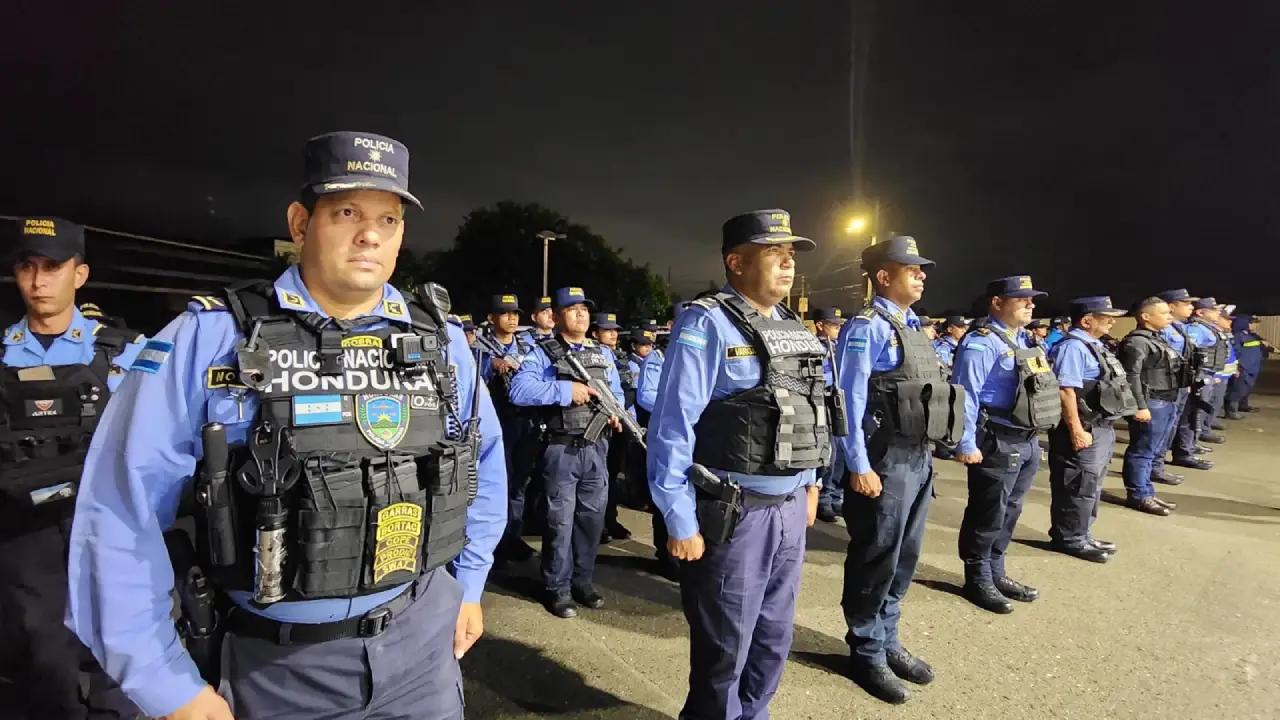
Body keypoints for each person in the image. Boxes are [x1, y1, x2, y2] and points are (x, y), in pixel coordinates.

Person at [65, 132, 507, 720]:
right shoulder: (210, 339)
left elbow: (481, 462)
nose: (370, 235)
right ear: (300, 223)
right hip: (277, 667)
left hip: (422, 646)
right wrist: (164, 684)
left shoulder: (441, 341)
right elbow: (120, 510)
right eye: (346, 212)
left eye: (388, 219)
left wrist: (469, 585)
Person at [648, 209, 827, 719]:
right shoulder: (706, 322)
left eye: (790, 255)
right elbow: (672, 425)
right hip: (736, 512)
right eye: (774, 253)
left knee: (773, 639)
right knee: (725, 649)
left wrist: (810, 484)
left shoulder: (792, 326)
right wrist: (678, 518)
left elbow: (811, 411)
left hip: (789, 506)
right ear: (736, 262)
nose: (788, 264)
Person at [1, 216, 146, 720]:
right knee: (39, 650)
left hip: (106, 518)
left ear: (79, 274)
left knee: (119, 643)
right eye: (28, 267)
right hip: (26, 528)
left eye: (53, 267)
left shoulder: (126, 350)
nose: (39, 281)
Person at [834, 236, 961, 704]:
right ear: (884, 276)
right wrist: (858, 464)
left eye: (921, 269)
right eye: (912, 269)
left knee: (905, 556)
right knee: (877, 557)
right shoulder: (867, 327)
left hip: (917, 456)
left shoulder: (912, 326)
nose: (921, 275)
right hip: (883, 459)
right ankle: (866, 650)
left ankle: (888, 638)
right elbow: (847, 399)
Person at [509, 287, 626, 618]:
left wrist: (616, 412)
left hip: (597, 447)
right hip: (561, 448)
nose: (581, 314)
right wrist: (565, 390)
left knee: (591, 520)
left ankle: (582, 581)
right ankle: (556, 587)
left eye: (584, 309)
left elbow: (616, 392)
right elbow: (520, 390)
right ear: (557, 316)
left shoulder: (602, 354)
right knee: (559, 522)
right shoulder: (544, 353)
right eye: (572, 309)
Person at [952, 276, 1059, 614]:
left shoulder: (1023, 339)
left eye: (1032, 299)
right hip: (996, 437)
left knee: (1011, 510)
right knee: (988, 511)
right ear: (997, 303)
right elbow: (965, 394)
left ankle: (996, 569)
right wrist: (966, 442)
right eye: (1021, 299)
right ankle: (978, 577)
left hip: (1026, 437)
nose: (1030, 304)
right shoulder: (981, 343)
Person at [1045, 297, 1134, 563]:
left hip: (1100, 425)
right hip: (1085, 426)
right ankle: (1070, 538)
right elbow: (1065, 391)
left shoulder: (1093, 345)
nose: (1112, 322)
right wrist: (1076, 429)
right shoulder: (1072, 347)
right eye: (1106, 317)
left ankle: (1082, 533)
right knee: (1078, 485)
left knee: (1091, 485)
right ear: (1086, 321)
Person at [480, 294, 542, 565]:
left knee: (520, 482)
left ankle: (513, 535)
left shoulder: (528, 346)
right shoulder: (480, 347)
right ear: (492, 318)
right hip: (497, 421)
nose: (512, 318)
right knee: (497, 483)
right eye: (505, 313)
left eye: (515, 313)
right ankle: (496, 542)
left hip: (524, 421)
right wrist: (490, 365)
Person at [635, 302, 687, 579]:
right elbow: (646, 396)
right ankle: (667, 556)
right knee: (667, 493)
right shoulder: (658, 356)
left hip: (693, 436)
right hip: (667, 433)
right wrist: (677, 410)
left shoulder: (694, 351)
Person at [1117, 297, 1181, 516]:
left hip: (1166, 400)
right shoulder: (1137, 342)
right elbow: (1131, 376)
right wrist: (1139, 405)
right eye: (1163, 313)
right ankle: (1138, 495)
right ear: (1146, 316)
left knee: (1152, 450)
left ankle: (1147, 491)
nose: (1169, 317)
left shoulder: (1156, 338)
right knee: (1142, 451)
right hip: (1151, 402)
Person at [592, 311, 635, 542]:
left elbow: (620, 389)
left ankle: (609, 519)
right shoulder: (593, 353)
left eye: (614, 330)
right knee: (598, 477)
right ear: (595, 333)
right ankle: (598, 525)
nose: (613, 334)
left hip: (619, 420)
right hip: (599, 420)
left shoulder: (614, 355)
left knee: (612, 474)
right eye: (607, 330)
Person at [1155, 288, 1204, 478]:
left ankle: (1159, 465)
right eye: (1186, 303)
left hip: (1181, 384)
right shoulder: (1164, 330)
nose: (1191, 307)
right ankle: (1155, 467)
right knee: (1162, 429)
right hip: (1168, 386)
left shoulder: (1179, 327)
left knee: (1172, 426)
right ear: (1171, 306)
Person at [812, 307, 847, 523]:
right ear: (820, 325)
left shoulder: (836, 346)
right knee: (829, 455)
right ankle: (823, 499)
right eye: (833, 325)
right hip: (824, 402)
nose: (838, 329)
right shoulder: (814, 348)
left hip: (838, 404)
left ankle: (835, 496)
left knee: (841, 453)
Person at [1228, 314, 1272, 415]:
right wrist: (1236, 366)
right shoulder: (1237, 335)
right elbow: (1235, 350)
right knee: (1239, 388)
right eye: (1252, 323)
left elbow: (1267, 345)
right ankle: (1231, 410)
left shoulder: (1253, 335)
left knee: (1248, 388)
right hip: (1243, 366)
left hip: (1253, 366)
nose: (1255, 325)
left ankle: (1243, 405)